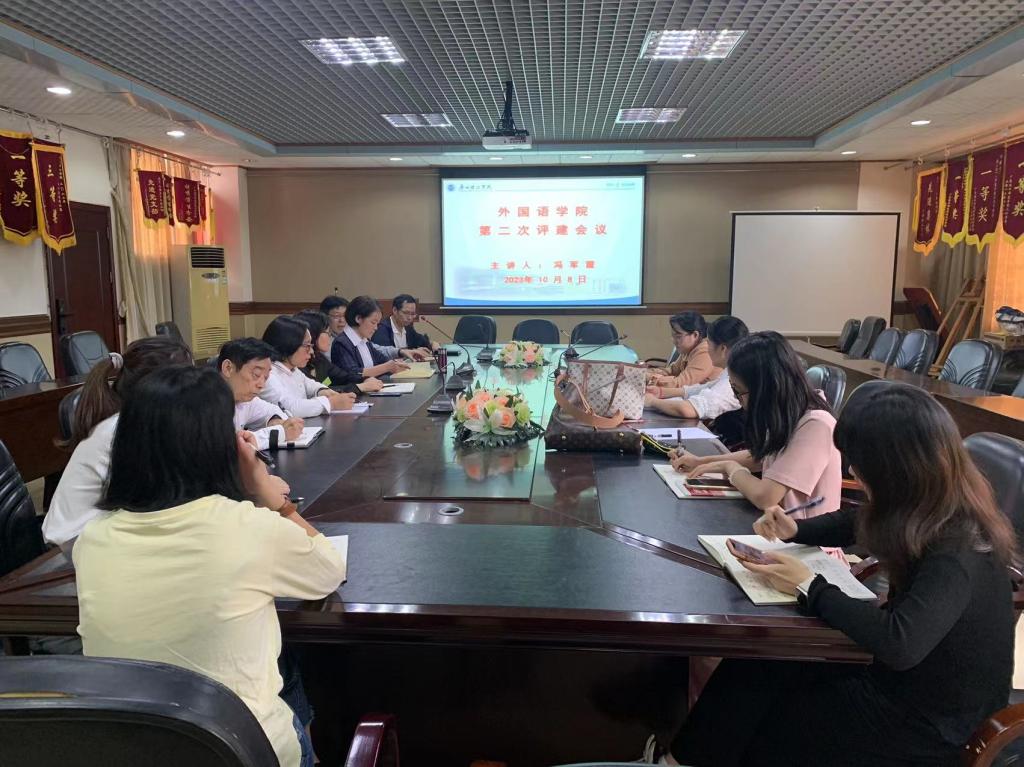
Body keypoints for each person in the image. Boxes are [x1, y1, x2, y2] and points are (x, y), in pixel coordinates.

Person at [651, 383, 1016, 767]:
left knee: (769, 719)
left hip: (930, 724)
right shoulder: (930, 503)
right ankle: (680, 760)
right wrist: (796, 530)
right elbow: (857, 520)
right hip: (901, 683)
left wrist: (809, 585)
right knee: (759, 662)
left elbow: (900, 643)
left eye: (860, 462)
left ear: (896, 468)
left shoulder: (957, 547)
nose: (853, 470)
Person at [74, 366, 347, 767]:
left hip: (132, 750)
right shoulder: (248, 528)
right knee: (285, 664)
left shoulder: (93, 539)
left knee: (281, 661)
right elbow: (329, 569)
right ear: (219, 444)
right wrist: (268, 494)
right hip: (240, 751)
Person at [43, 336, 193, 548]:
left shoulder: (138, 420)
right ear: (157, 391)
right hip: (72, 544)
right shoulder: (123, 429)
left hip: (101, 532)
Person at [670, 331, 840, 517]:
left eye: (739, 392)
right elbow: (761, 456)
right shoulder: (786, 413)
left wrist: (731, 468)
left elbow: (765, 496)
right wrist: (699, 462)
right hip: (774, 525)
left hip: (802, 533)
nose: (739, 401)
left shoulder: (816, 425)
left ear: (767, 388)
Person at [645, 315, 748, 421]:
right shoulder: (728, 372)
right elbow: (699, 389)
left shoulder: (732, 381)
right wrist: (660, 392)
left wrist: (652, 401)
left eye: (709, 344)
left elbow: (690, 409)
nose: (707, 349)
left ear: (722, 349)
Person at [261, 316, 356, 417]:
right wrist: (331, 403)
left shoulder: (293, 369)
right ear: (289, 344)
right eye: (307, 346)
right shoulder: (267, 374)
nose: (311, 351)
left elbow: (311, 385)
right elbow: (290, 408)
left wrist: (324, 391)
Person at [218, 337, 304, 447]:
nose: (261, 385)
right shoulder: (205, 400)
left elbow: (272, 411)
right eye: (256, 374)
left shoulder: (243, 399)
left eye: (266, 377)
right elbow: (226, 447)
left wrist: (274, 421)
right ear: (228, 368)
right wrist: (279, 433)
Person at [293, 310, 384, 394]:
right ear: (312, 334)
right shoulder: (297, 364)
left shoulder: (319, 359)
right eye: (327, 332)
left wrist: (364, 379)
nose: (330, 337)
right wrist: (360, 387)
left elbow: (344, 377)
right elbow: (319, 393)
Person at [331, 295, 412, 380]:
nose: (376, 328)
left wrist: (395, 364)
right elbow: (353, 373)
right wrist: (386, 367)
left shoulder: (365, 340)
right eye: (373, 322)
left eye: (377, 324)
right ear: (358, 318)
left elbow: (381, 359)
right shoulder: (341, 343)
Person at [647, 312, 718, 388]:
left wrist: (649, 378)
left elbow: (680, 384)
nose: (674, 341)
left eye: (678, 336)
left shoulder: (705, 352)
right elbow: (672, 370)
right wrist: (644, 372)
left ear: (695, 335)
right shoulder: (688, 349)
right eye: (673, 336)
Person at [371, 294, 438, 355]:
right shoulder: (381, 328)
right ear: (395, 310)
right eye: (406, 313)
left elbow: (422, 342)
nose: (410, 318)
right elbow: (384, 355)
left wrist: (432, 344)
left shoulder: (408, 328)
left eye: (412, 314)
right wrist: (412, 351)